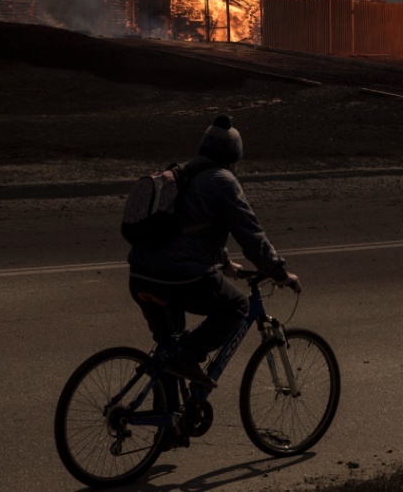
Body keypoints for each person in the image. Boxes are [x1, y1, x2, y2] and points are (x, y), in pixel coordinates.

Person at [128, 114, 301, 390]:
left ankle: (171, 428)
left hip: (141, 274)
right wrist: (278, 272)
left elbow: (190, 227)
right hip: (178, 277)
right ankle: (187, 355)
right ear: (234, 157)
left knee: (167, 353)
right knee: (238, 306)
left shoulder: (183, 173)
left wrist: (223, 262)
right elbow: (251, 234)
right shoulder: (224, 181)